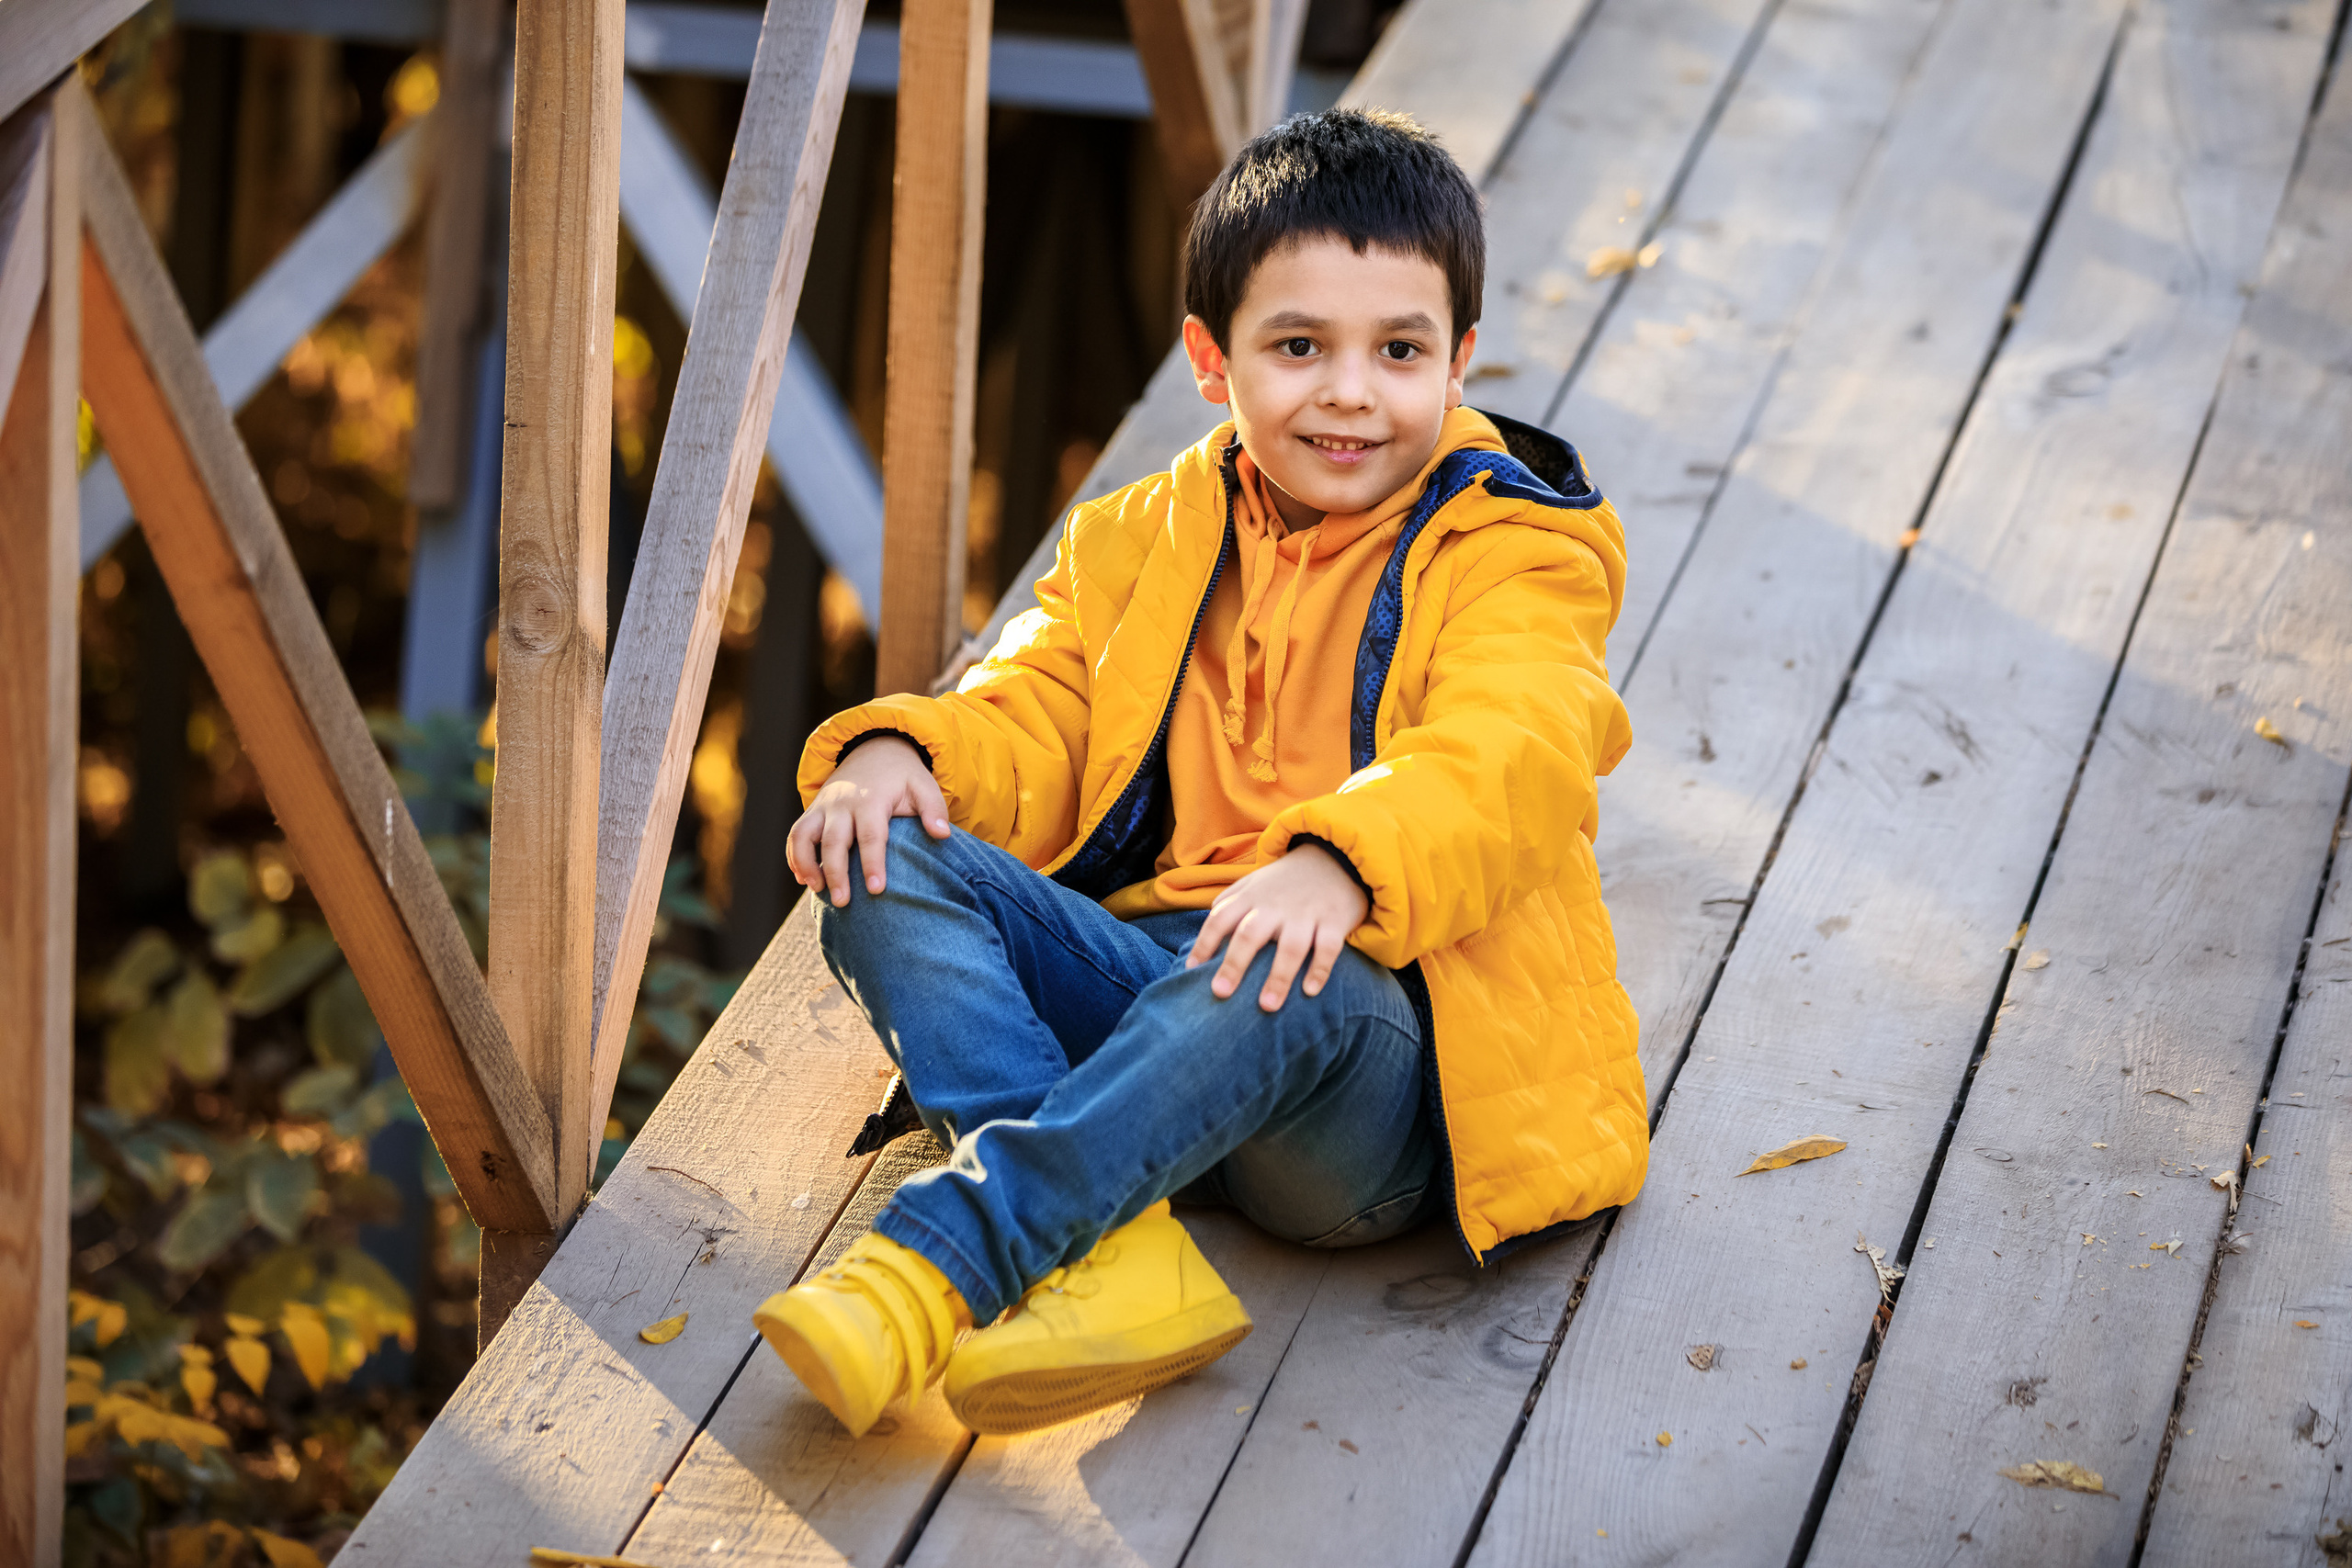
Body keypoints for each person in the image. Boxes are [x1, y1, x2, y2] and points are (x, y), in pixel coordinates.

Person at [754, 107, 1643, 1440]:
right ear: (1211, 360)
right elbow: (1039, 705)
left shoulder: (1514, 549)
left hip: (1370, 1076)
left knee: (1287, 966)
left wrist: (1340, 862)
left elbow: (1513, 753)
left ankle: (961, 1254)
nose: (1350, 391)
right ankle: (1105, 1256)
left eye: (1398, 351)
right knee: (886, 854)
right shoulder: (1147, 532)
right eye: (1298, 348)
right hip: (1166, 1006)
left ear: (1458, 361)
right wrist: (900, 752)